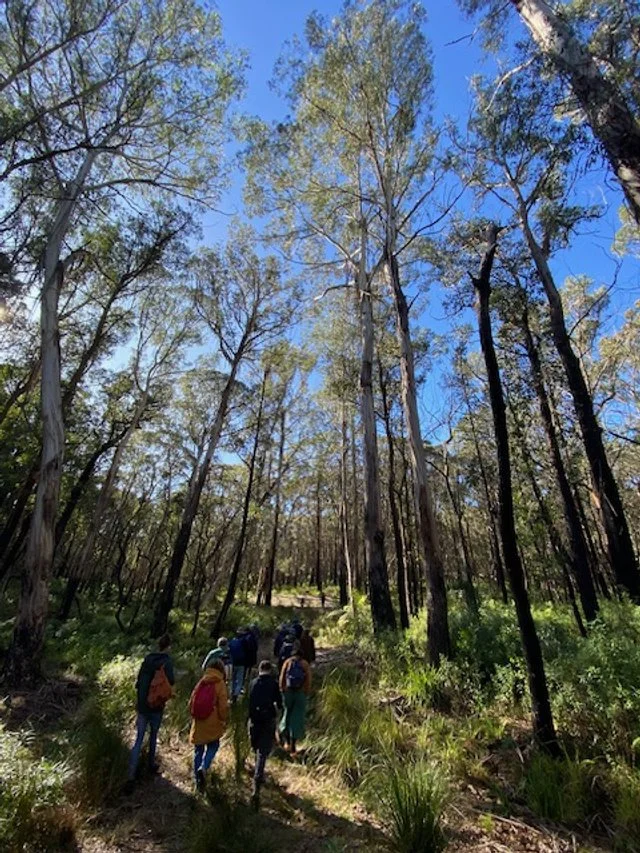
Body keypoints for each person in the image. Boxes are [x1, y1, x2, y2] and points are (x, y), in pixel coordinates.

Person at [125, 634, 175, 792]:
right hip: (156, 705)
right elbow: (171, 681)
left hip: (142, 705)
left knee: (138, 739)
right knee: (153, 735)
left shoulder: (147, 659)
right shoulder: (166, 662)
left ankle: (130, 775)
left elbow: (138, 682)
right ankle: (151, 764)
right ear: (168, 647)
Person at [189, 658, 229, 792]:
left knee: (198, 750)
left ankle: (197, 781)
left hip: (199, 720)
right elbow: (223, 706)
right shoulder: (220, 683)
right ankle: (204, 767)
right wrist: (223, 719)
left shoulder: (202, 681)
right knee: (214, 745)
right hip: (212, 721)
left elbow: (191, 701)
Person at [248, 660, 282, 806]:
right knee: (263, 752)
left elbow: (248, 701)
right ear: (269, 670)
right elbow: (279, 702)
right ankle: (257, 780)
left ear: (260, 669)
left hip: (254, 720)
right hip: (268, 719)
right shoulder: (273, 684)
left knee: (256, 748)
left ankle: (257, 771)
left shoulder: (253, 683)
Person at [279, 641, 311, 757]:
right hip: (300, 694)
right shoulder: (304, 664)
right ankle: (293, 746)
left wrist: (282, 690)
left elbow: (282, 677)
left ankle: (285, 742)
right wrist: (306, 692)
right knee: (296, 718)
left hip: (288, 693)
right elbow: (308, 680)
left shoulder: (287, 662)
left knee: (286, 714)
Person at [229, 627, 247, 701]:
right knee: (239, 679)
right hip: (241, 663)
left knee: (233, 679)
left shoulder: (232, 641)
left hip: (233, 662)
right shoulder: (244, 641)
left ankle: (232, 692)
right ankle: (236, 694)